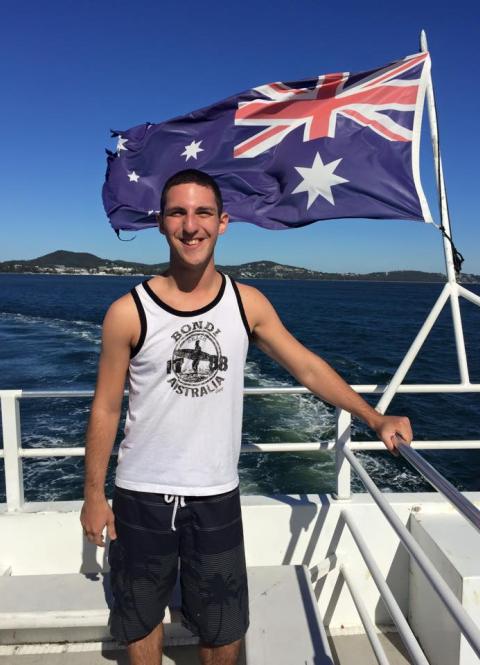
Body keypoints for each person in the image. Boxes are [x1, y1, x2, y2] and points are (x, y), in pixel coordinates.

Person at [81, 168, 412, 665]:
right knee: (140, 617)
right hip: (141, 495)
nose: (190, 225)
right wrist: (93, 496)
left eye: (203, 213)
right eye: (177, 212)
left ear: (223, 223)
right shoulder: (128, 311)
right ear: (161, 224)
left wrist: (373, 417)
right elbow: (106, 407)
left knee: (224, 626)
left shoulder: (246, 303)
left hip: (215, 494)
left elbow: (304, 365)